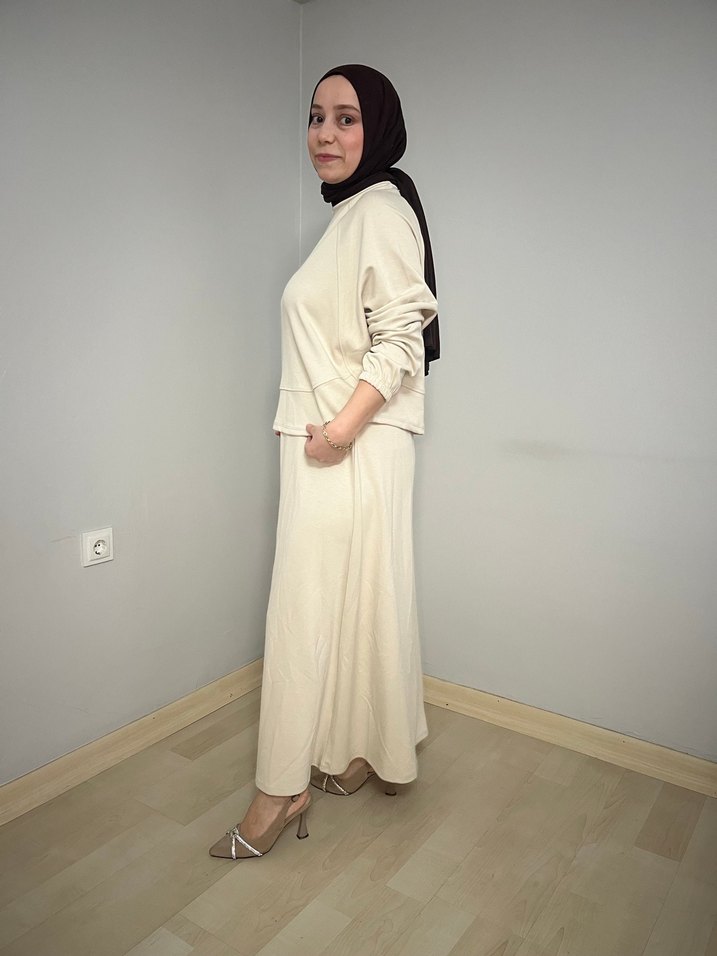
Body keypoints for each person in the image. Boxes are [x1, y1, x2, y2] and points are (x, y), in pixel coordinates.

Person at [209, 64, 439, 861]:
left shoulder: (379, 211)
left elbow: (403, 337)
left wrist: (337, 434)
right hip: (336, 441)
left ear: (377, 127)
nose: (324, 134)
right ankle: (356, 752)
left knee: (304, 612)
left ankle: (280, 789)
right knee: (358, 601)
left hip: (344, 446)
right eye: (315, 117)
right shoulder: (353, 215)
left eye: (345, 118)